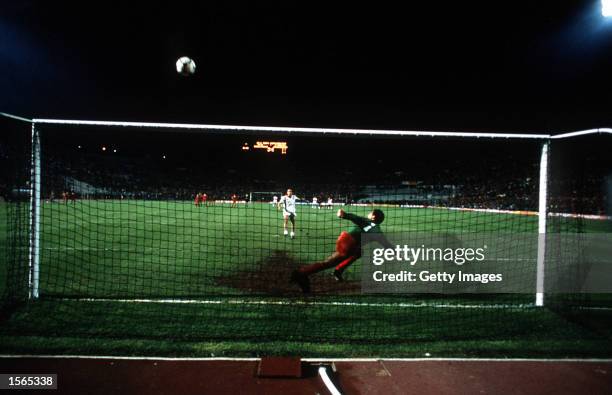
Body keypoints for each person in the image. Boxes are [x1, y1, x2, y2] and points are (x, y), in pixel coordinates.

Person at [290, 208, 391, 293]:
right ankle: (301, 273)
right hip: (350, 244)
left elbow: (354, 217)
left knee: (357, 253)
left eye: (370, 213)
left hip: (346, 241)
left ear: (373, 217)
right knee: (328, 263)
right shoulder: (378, 232)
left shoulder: (367, 221)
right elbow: (387, 245)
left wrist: (343, 214)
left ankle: (335, 271)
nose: (368, 214)